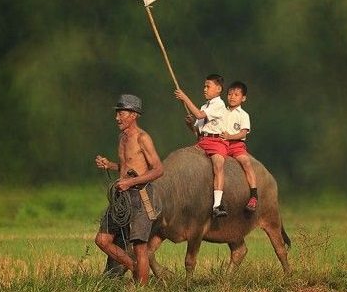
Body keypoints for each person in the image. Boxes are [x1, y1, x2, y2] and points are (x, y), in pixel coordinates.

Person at [94, 94, 164, 285]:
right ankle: (135, 267)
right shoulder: (122, 137)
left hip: (140, 196)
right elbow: (129, 166)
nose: (117, 117)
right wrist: (110, 165)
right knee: (102, 240)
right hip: (121, 197)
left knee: (140, 247)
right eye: (117, 113)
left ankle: (141, 287)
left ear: (133, 115)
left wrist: (130, 183)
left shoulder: (143, 138)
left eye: (121, 113)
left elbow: (158, 169)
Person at [174, 74, 229, 218]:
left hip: (217, 143)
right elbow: (197, 132)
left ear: (218, 89)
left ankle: (217, 204)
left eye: (208, 86)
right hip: (203, 142)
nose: (204, 89)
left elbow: (199, 115)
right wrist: (189, 125)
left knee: (218, 165)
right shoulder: (205, 106)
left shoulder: (219, 104)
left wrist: (185, 97)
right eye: (204, 86)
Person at [220, 81, 258, 212]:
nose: (232, 97)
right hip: (222, 144)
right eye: (230, 94)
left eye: (236, 94)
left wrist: (230, 136)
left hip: (236, 145)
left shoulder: (243, 115)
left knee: (246, 162)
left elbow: (243, 132)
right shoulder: (221, 112)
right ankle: (219, 199)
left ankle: (254, 196)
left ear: (243, 98)